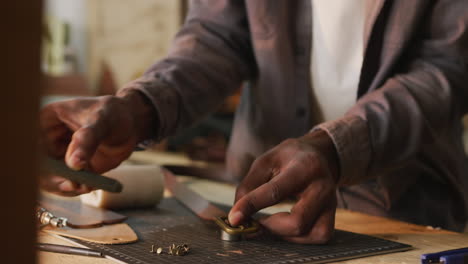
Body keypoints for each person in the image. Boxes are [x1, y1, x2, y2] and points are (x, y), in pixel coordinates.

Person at [40, 0, 468, 243]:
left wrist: (333, 150)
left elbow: (447, 70)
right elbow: (216, 37)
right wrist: (136, 108)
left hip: (408, 214)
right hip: (259, 205)